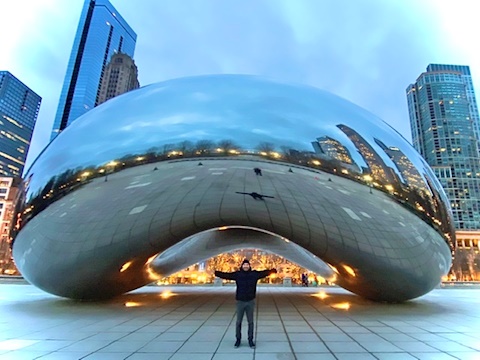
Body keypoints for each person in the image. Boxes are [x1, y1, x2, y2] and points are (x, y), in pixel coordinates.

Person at [215, 259, 276, 348]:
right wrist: (217, 273)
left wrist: (272, 271)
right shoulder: (238, 274)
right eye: (244, 265)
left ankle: (250, 340)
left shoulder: (254, 274)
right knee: (238, 322)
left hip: (250, 302)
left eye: (247, 265)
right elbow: (227, 275)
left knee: (250, 322)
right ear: (242, 266)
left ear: (249, 266)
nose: (246, 266)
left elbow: (263, 273)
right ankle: (238, 340)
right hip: (240, 302)